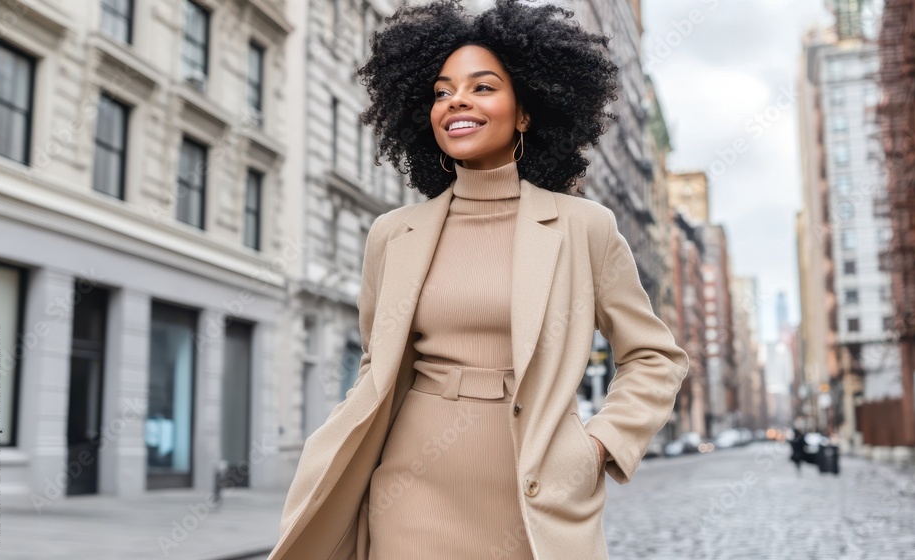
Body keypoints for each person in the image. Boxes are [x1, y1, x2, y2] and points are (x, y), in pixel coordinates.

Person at [269, 1, 689, 558]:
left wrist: (599, 446)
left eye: (482, 87)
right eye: (442, 92)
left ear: (525, 113)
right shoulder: (393, 234)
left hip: (535, 495)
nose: (456, 101)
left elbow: (654, 356)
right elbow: (378, 364)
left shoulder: (584, 227)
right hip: (409, 493)